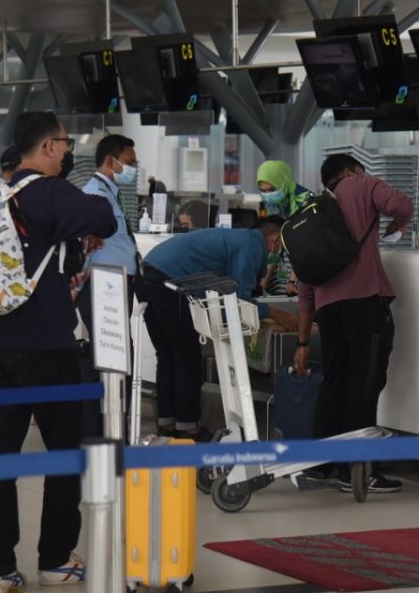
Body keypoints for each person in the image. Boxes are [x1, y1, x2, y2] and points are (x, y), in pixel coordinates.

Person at [0, 112, 116, 593]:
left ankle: (0, 568)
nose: (67, 149)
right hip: (47, 345)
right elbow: (105, 217)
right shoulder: (47, 190)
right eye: (65, 141)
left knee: (0, 457)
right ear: (50, 147)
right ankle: (54, 559)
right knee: (62, 452)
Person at [293, 153, 413, 494]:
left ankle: (323, 465)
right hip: (365, 302)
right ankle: (358, 470)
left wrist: (303, 341)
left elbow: (305, 283)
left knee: (334, 381)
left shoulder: (312, 209)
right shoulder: (361, 184)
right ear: (349, 171)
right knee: (365, 382)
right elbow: (402, 204)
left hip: (328, 309)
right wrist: (397, 225)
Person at [137, 218, 299, 440]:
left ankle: (168, 425)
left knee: (168, 355)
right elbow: (238, 296)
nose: (278, 251)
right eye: (280, 245)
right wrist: (274, 313)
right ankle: (188, 428)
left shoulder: (239, 238)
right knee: (187, 357)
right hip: (169, 281)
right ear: (274, 239)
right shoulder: (252, 244)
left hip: (147, 274)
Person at [77, 135, 139, 438]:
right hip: (103, 286)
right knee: (111, 359)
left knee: (112, 359)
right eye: (129, 162)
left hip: (113, 284)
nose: (134, 168)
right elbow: (85, 247)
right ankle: (107, 433)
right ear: (110, 161)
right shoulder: (93, 194)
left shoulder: (109, 193)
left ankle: (110, 431)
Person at [256, 160, 311, 295]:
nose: (268, 194)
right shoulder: (272, 203)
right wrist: (261, 285)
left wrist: (293, 282)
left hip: (303, 263)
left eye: (272, 189)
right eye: (263, 191)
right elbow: (275, 243)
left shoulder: (304, 200)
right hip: (283, 262)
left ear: (283, 182)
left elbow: (305, 244)